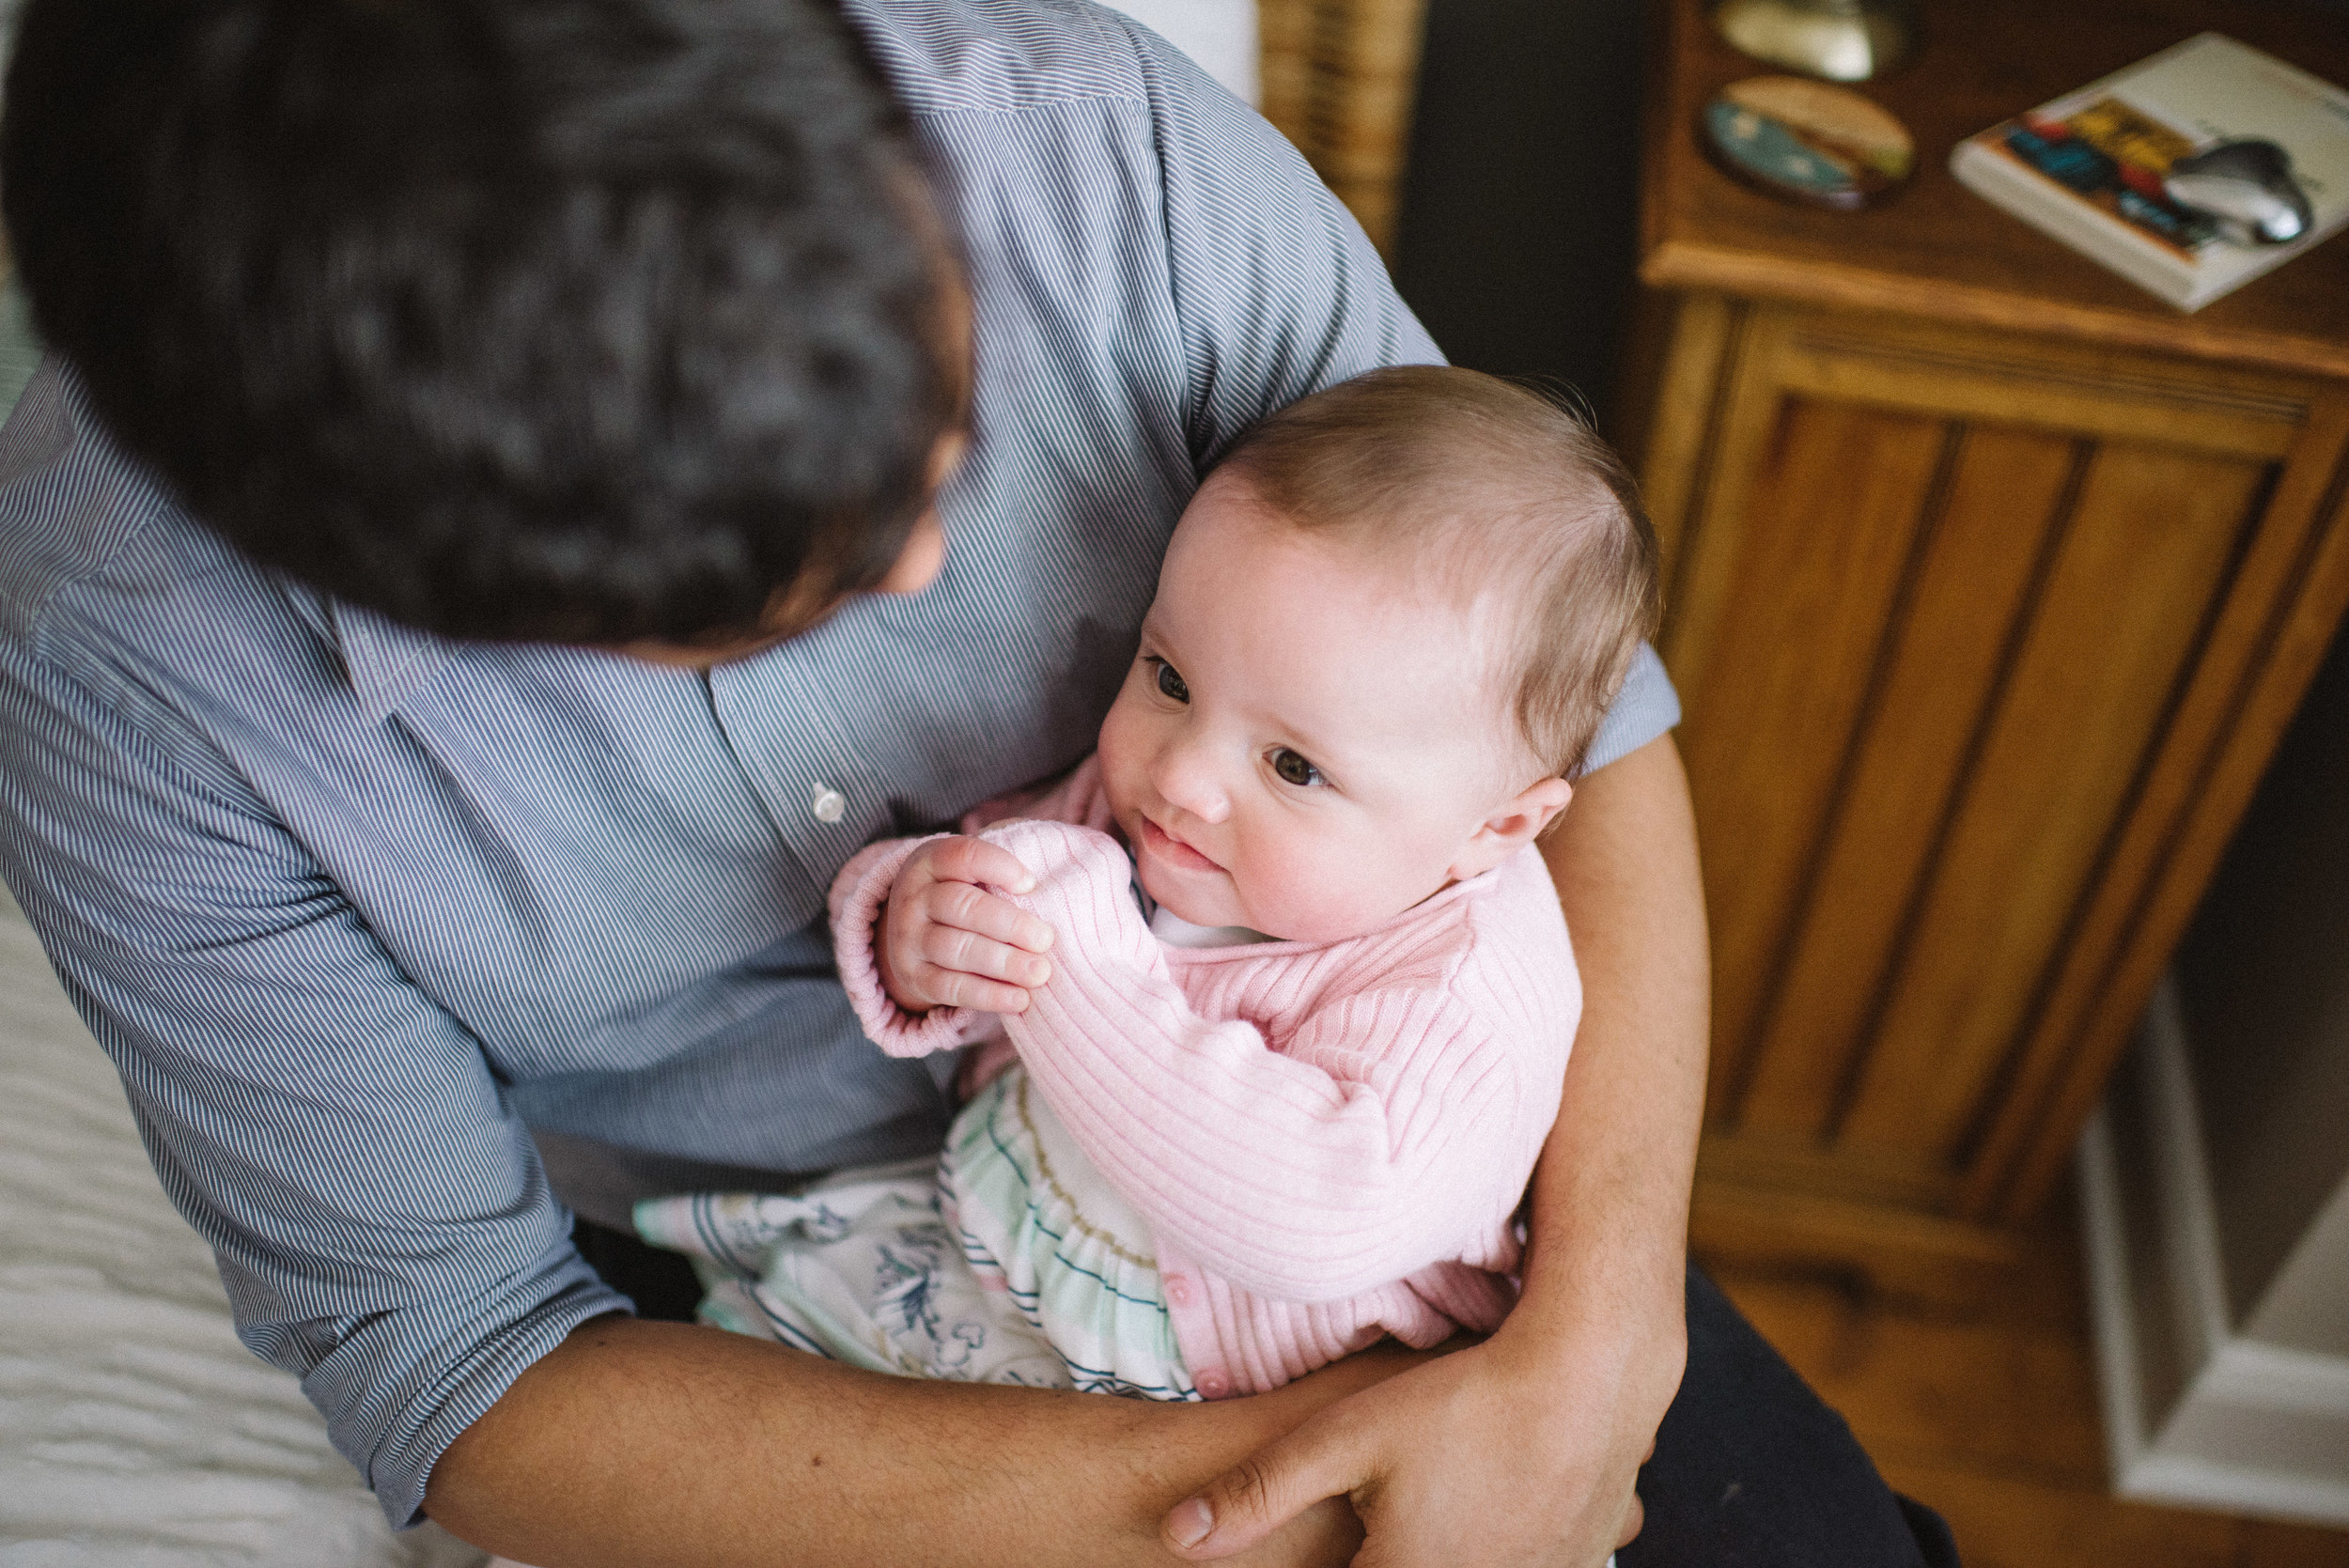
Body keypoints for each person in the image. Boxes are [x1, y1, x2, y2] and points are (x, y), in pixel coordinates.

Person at [0, 0, 1952, 1562]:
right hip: (797, 1284)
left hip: (1319, 1179)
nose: (932, 575)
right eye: (787, 588)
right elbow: (465, 1366)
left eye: (942, 431)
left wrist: (1595, 1345)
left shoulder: (1087, 150)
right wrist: (1314, 1505)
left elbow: (1567, 721)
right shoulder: (116, 675)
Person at [640, 365, 1657, 1412]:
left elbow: (1324, 1217)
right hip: (982, 1258)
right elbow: (1004, 863)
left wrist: (1074, 972)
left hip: (1221, 1396)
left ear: (1494, 829)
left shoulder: (1463, 992)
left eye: (1293, 767)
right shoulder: (1159, 809)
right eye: (1169, 678)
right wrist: (921, 920)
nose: (1177, 776)